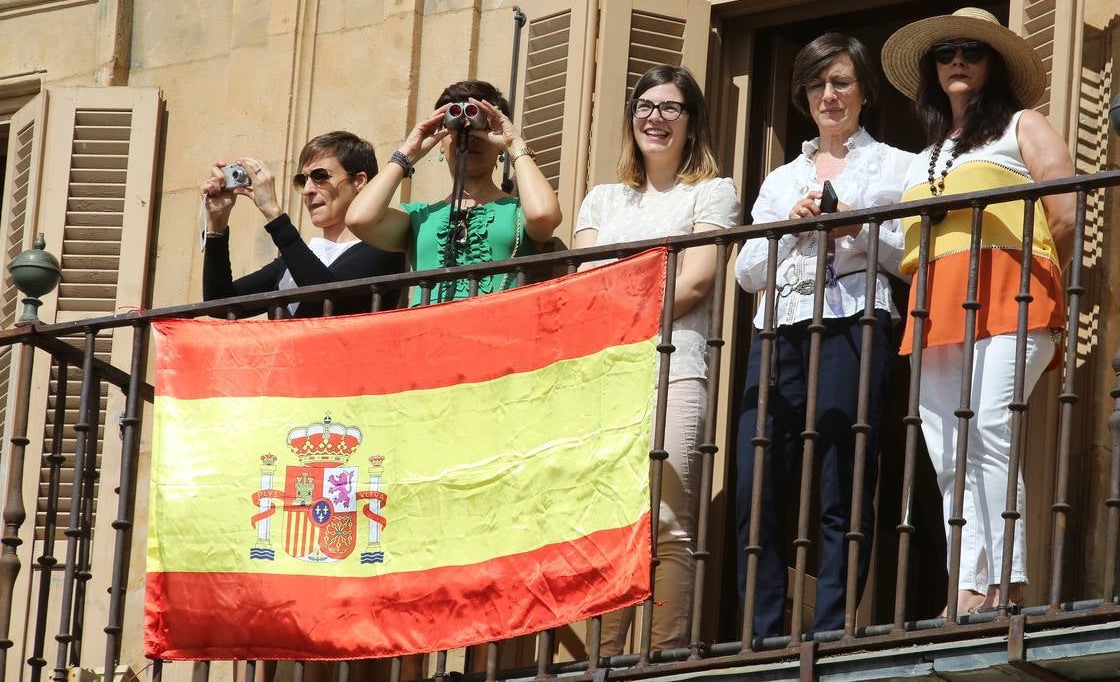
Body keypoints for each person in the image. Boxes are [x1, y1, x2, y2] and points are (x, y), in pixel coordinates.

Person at [879, 7, 1074, 616]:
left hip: (1009, 295)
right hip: (936, 308)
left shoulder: (1022, 125)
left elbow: (1066, 210)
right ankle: (966, 588)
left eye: (971, 50)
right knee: (949, 452)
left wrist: (1023, 268)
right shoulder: (924, 156)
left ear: (993, 64)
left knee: (991, 429)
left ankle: (1006, 584)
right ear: (934, 70)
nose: (957, 60)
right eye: (945, 53)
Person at [734, 33, 914, 639]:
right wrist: (790, 226)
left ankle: (834, 630)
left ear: (864, 91)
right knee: (756, 485)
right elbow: (746, 271)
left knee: (844, 479)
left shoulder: (897, 165)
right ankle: (761, 632)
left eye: (840, 82)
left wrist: (853, 230)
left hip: (855, 324)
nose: (828, 95)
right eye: (816, 84)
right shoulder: (781, 178)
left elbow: (909, 253)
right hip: (778, 332)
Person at [572, 65, 739, 656]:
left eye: (671, 108)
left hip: (679, 363)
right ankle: (604, 659)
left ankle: (663, 655)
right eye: (646, 105)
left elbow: (694, 283)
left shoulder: (712, 192)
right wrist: (633, 289)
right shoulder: (602, 198)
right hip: (608, 370)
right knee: (613, 519)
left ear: (691, 124)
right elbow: (583, 284)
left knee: (669, 519)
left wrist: (619, 294)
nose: (656, 118)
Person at [345, 80, 562, 302]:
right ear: (440, 142)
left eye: (482, 127)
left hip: (498, 332)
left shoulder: (518, 212)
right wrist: (408, 153)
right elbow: (359, 219)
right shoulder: (419, 217)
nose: (469, 136)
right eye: (456, 126)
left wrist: (513, 143)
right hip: (430, 334)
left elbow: (543, 215)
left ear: (499, 148)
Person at [200, 131, 405, 317]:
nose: (307, 190)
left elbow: (327, 298)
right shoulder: (295, 260)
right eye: (302, 180)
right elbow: (219, 304)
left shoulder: (384, 246)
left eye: (320, 176)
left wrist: (274, 214)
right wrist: (216, 226)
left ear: (359, 181)